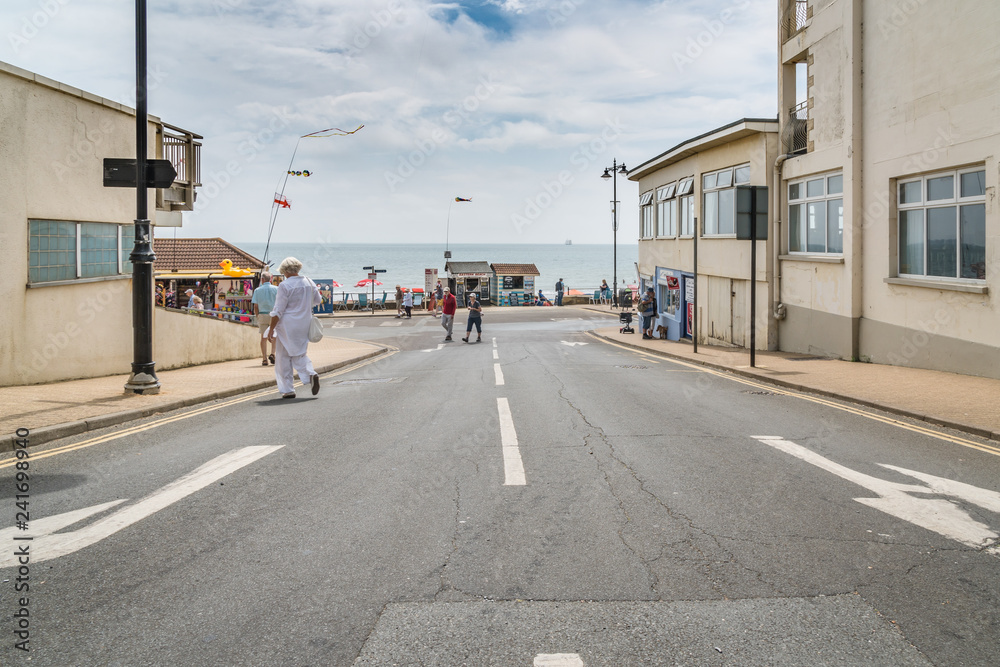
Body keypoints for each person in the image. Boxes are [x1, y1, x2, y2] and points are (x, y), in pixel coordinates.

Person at [267, 257, 322, 399]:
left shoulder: (284, 286)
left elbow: (278, 310)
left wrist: (271, 329)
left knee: (282, 358)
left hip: (287, 325)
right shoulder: (309, 282)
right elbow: (317, 300)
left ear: (285, 271)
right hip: (304, 323)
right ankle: (310, 373)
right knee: (299, 353)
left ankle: (288, 389)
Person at [251, 272, 279, 366]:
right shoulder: (276, 289)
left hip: (262, 314)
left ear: (262, 279)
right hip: (274, 315)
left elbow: (255, 305)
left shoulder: (257, 290)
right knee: (274, 335)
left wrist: (257, 315)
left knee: (263, 337)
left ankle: (264, 359)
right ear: (270, 279)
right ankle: (273, 353)